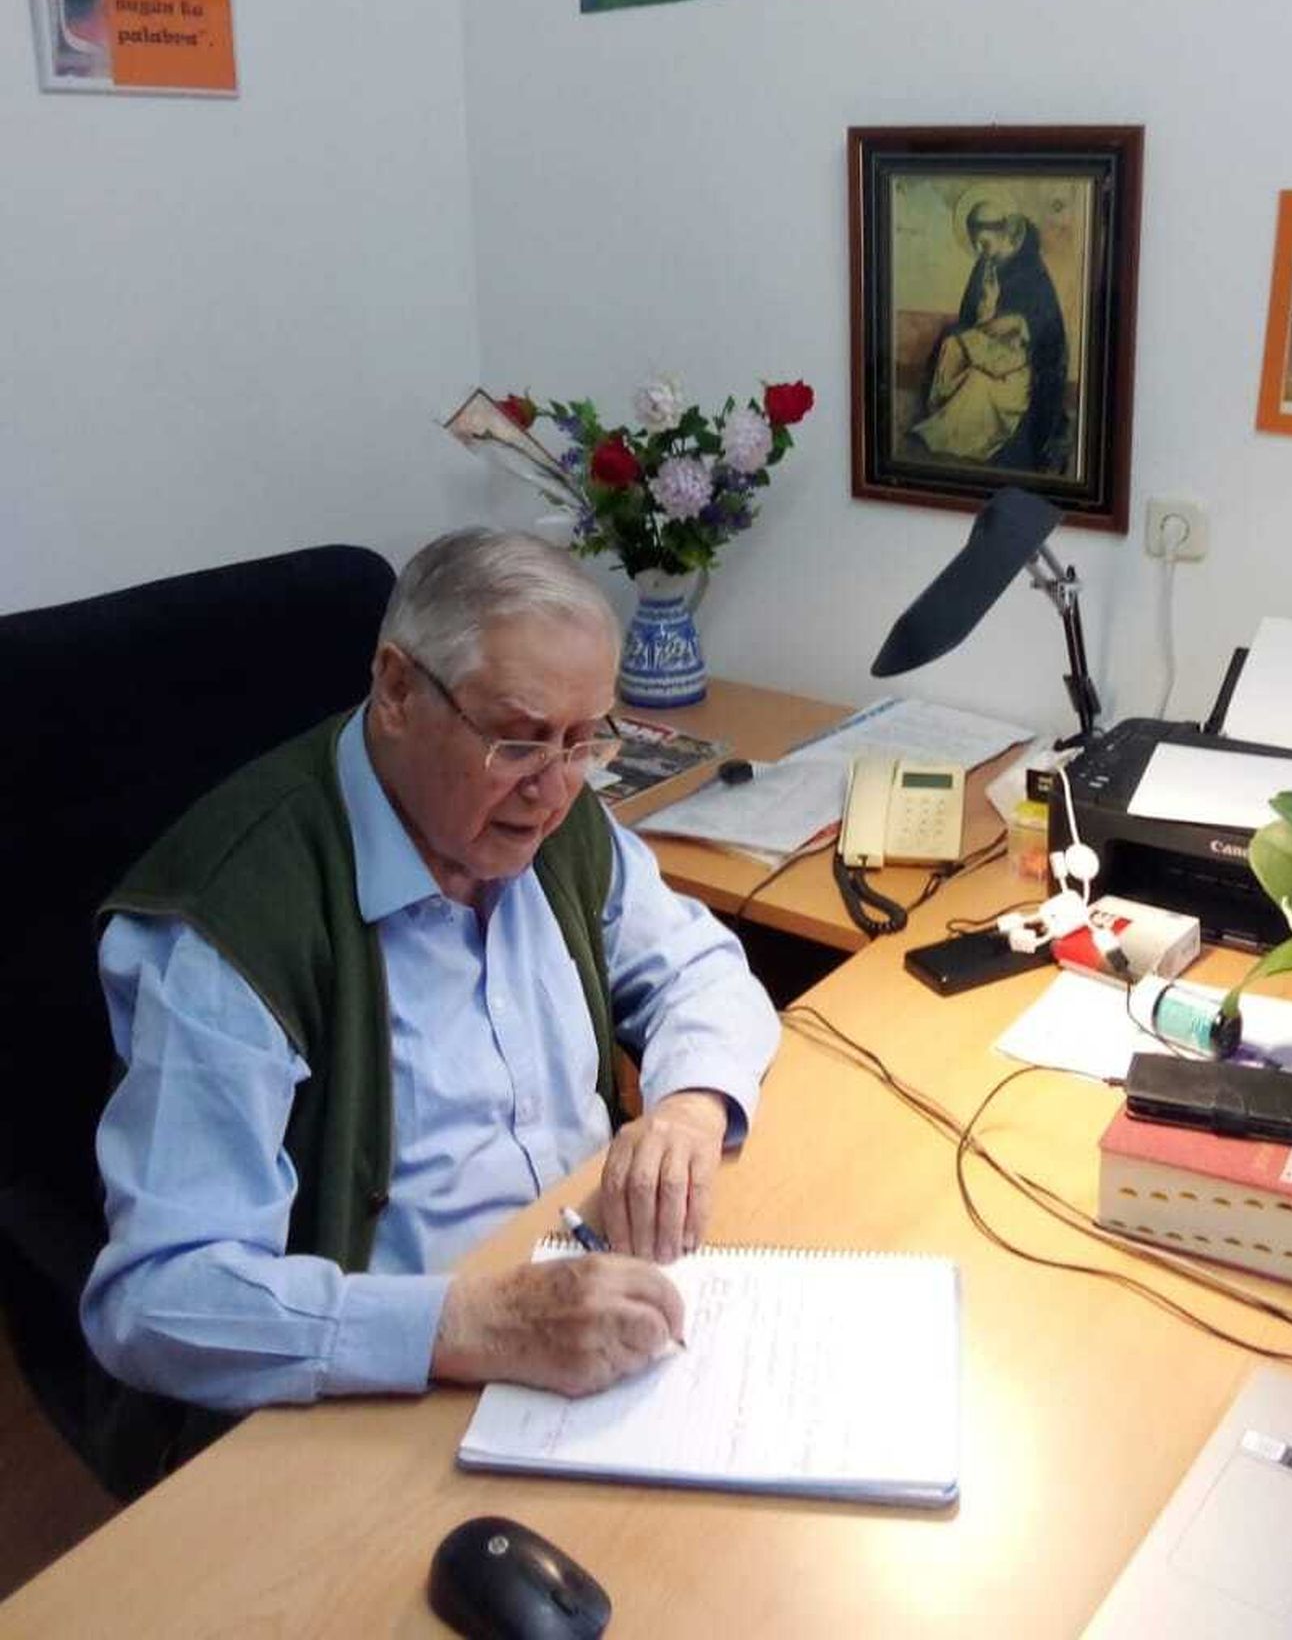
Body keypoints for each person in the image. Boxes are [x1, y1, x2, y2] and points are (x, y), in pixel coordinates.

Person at [81, 528, 780, 1484]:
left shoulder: (556, 814)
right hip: (383, 1391)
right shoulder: (231, 924)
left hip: (593, 1306)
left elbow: (700, 967)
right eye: (520, 739)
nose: (555, 787)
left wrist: (690, 1104)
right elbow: (157, 1297)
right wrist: (471, 1323)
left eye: (585, 741)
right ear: (398, 689)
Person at [909, 197, 1070, 473]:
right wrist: (983, 318)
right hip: (988, 349)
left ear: (1004, 233)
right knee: (950, 346)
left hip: (1020, 365)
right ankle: (943, 417)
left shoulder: (1031, 270)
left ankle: (963, 437)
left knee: (977, 383)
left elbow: (1048, 327)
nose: (978, 249)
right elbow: (970, 317)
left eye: (983, 243)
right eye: (975, 243)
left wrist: (1018, 322)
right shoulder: (984, 265)